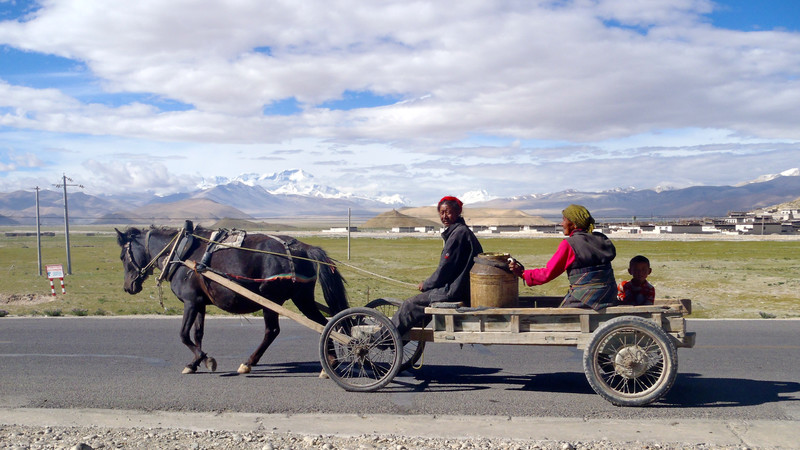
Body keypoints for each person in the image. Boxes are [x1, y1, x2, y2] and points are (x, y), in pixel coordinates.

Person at [392, 196, 483, 336]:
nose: (444, 216)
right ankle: (397, 340)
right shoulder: (460, 231)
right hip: (461, 287)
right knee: (419, 304)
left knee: (410, 304)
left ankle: (383, 339)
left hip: (454, 290)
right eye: (441, 212)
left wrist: (427, 284)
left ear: (458, 212)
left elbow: (445, 270)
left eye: (448, 212)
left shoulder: (458, 234)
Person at [508, 204, 618, 310]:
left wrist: (522, 273)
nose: (562, 224)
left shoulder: (570, 244)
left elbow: (548, 273)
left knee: (557, 318)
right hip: (609, 294)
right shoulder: (601, 238)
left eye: (564, 220)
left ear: (574, 224)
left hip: (586, 297)